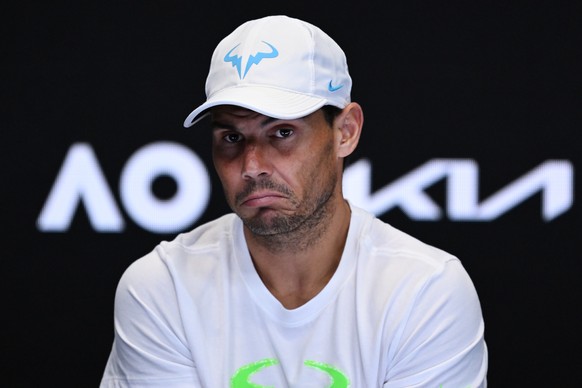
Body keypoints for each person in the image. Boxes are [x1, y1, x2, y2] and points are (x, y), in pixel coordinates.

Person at [100, 15, 487, 387]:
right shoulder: (162, 287)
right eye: (231, 138)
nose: (252, 166)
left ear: (346, 132)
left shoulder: (425, 291)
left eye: (282, 132)